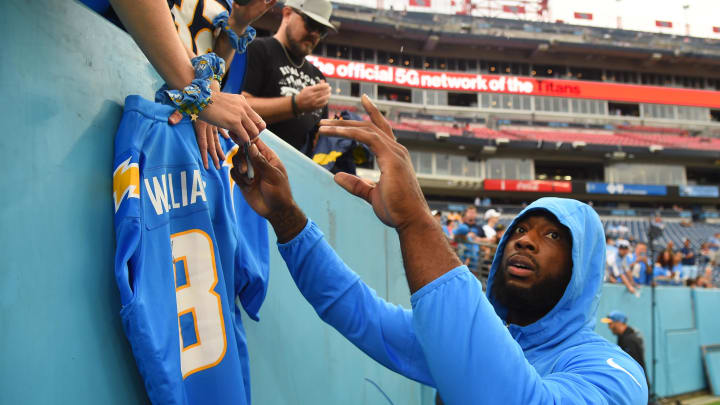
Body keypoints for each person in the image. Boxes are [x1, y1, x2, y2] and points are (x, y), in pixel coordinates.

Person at [229, 95, 648, 404]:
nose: (524, 239)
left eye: (553, 235)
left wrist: (415, 221)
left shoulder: (615, 373)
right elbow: (356, 311)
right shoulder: (486, 335)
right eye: (519, 228)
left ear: (582, 269)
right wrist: (285, 216)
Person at [106, 0, 276, 169]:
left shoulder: (227, 5)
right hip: (115, 78)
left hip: (171, 117)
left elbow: (207, 63)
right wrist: (199, 92)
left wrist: (205, 81)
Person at [243, 0, 336, 155]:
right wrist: (296, 104)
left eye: (322, 30)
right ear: (287, 13)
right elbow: (239, 106)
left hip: (296, 173)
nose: (315, 34)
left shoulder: (318, 77)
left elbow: (318, 137)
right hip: (252, 164)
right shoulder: (257, 50)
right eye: (310, 24)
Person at [601, 311, 648, 382]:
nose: (609, 327)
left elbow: (632, 366)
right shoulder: (623, 337)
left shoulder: (629, 340)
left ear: (619, 323)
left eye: (611, 324)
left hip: (636, 383)